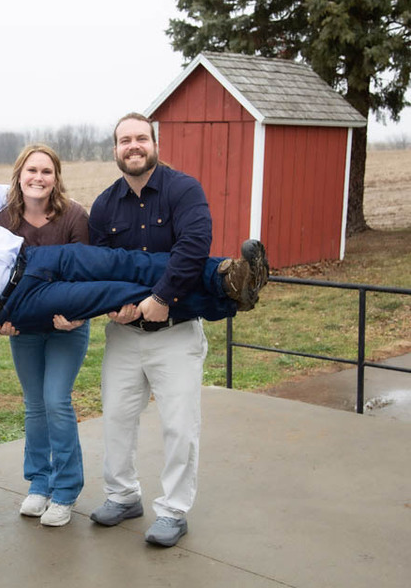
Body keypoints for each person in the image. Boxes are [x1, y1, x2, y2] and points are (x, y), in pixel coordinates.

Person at [87, 113, 266, 547]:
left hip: (176, 330)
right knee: (116, 419)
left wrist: (162, 297)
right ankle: (123, 495)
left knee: (180, 426)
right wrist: (115, 307)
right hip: (125, 335)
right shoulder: (104, 205)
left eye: (141, 138)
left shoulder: (183, 189)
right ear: (115, 149)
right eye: (125, 140)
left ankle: (173, 511)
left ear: (155, 144)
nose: (133, 146)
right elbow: (101, 265)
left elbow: (193, 246)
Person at [0, 165, 268, 348]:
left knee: (124, 262)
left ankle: (225, 274)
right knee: (118, 292)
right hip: (16, 302)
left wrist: (50, 198)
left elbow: (7, 194)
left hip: (36, 258)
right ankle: (227, 301)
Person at [0, 145, 90, 527]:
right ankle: (39, 482)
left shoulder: (74, 216)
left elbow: (89, 273)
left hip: (67, 327)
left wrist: (78, 315)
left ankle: (65, 490)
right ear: (19, 175)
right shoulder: (3, 220)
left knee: (56, 400)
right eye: (31, 170)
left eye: (46, 171)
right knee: (34, 405)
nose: (38, 177)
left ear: (56, 178)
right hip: (25, 329)